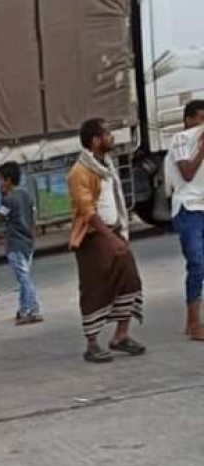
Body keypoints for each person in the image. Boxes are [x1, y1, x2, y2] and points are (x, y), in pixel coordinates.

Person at [68, 118, 145, 363]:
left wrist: (119, 232)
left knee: (130, 280)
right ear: (95, 140)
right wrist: (110, 238)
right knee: (95, 288)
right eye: (108, 134)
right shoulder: (79, 171)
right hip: (94, 238)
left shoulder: (107, 165)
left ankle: (121, 336)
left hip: (114, 232)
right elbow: (87, 211)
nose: (112, 138)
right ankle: (92, 344)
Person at [166, 100, 204, 340]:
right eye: (200, 118)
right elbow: (187, 173)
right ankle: (193, 322)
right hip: (188, 207)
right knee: (197, 263)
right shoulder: (181, 139)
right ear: (188, 119)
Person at [0, 161, 42, 325]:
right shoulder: (26, 195)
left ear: (8, 180)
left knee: (23, 278)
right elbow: (33, 217)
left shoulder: (8, 200)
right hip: (28, 242)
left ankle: (33, 309)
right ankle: (23, 309)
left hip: (15, 243)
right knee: (24, 277)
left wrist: (2, 197)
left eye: (0, 180)